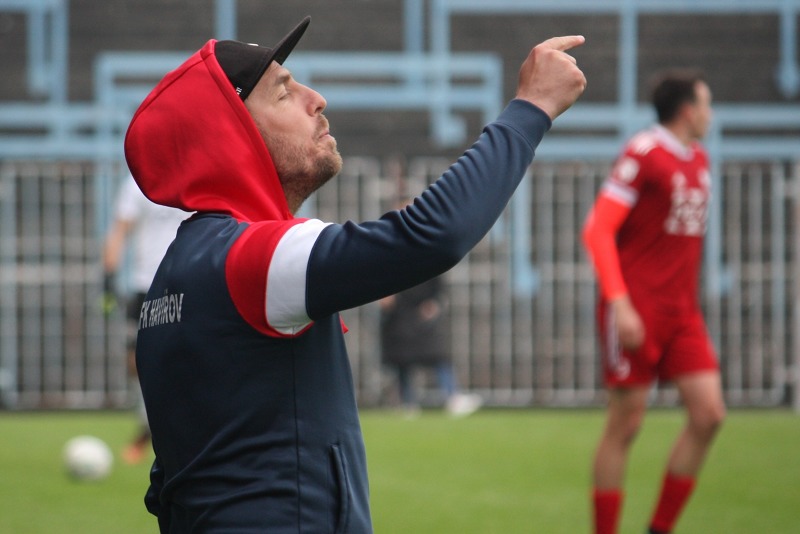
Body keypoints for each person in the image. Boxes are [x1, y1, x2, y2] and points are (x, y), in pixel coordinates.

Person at [124, 14, 585, 533]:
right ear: (231, 135)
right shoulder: (251, 256)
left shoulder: (171, 278)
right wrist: (530, 109)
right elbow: (430, 235)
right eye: (284, 92)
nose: (316, 99)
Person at [582, 69, 726, 534]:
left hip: (682, 313)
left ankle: (659, 528)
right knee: (626, 425)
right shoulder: (644, 153)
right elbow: (597, 230)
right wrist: (620, 304)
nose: (710, 114)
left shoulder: (700, 159)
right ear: (687, 110)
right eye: (706, 104)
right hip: (636, 308)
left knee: (709, 415)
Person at [102, 173, 187, 464]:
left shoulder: (197, 174)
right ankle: (148, 424)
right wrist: (108, 276)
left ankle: (159, 429)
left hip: (188, 280)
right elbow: (120, 229)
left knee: (185, 357)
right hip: (146, 284)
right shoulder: (139, 180)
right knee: (136, 360)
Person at [379, 275, 482, 417]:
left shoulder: (428, 272)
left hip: (422, 319)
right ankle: (408, 403)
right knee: (403, 364)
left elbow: (438, 286)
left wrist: (434, 302)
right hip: (399, 320)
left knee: (438, 358)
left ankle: (452, 396)